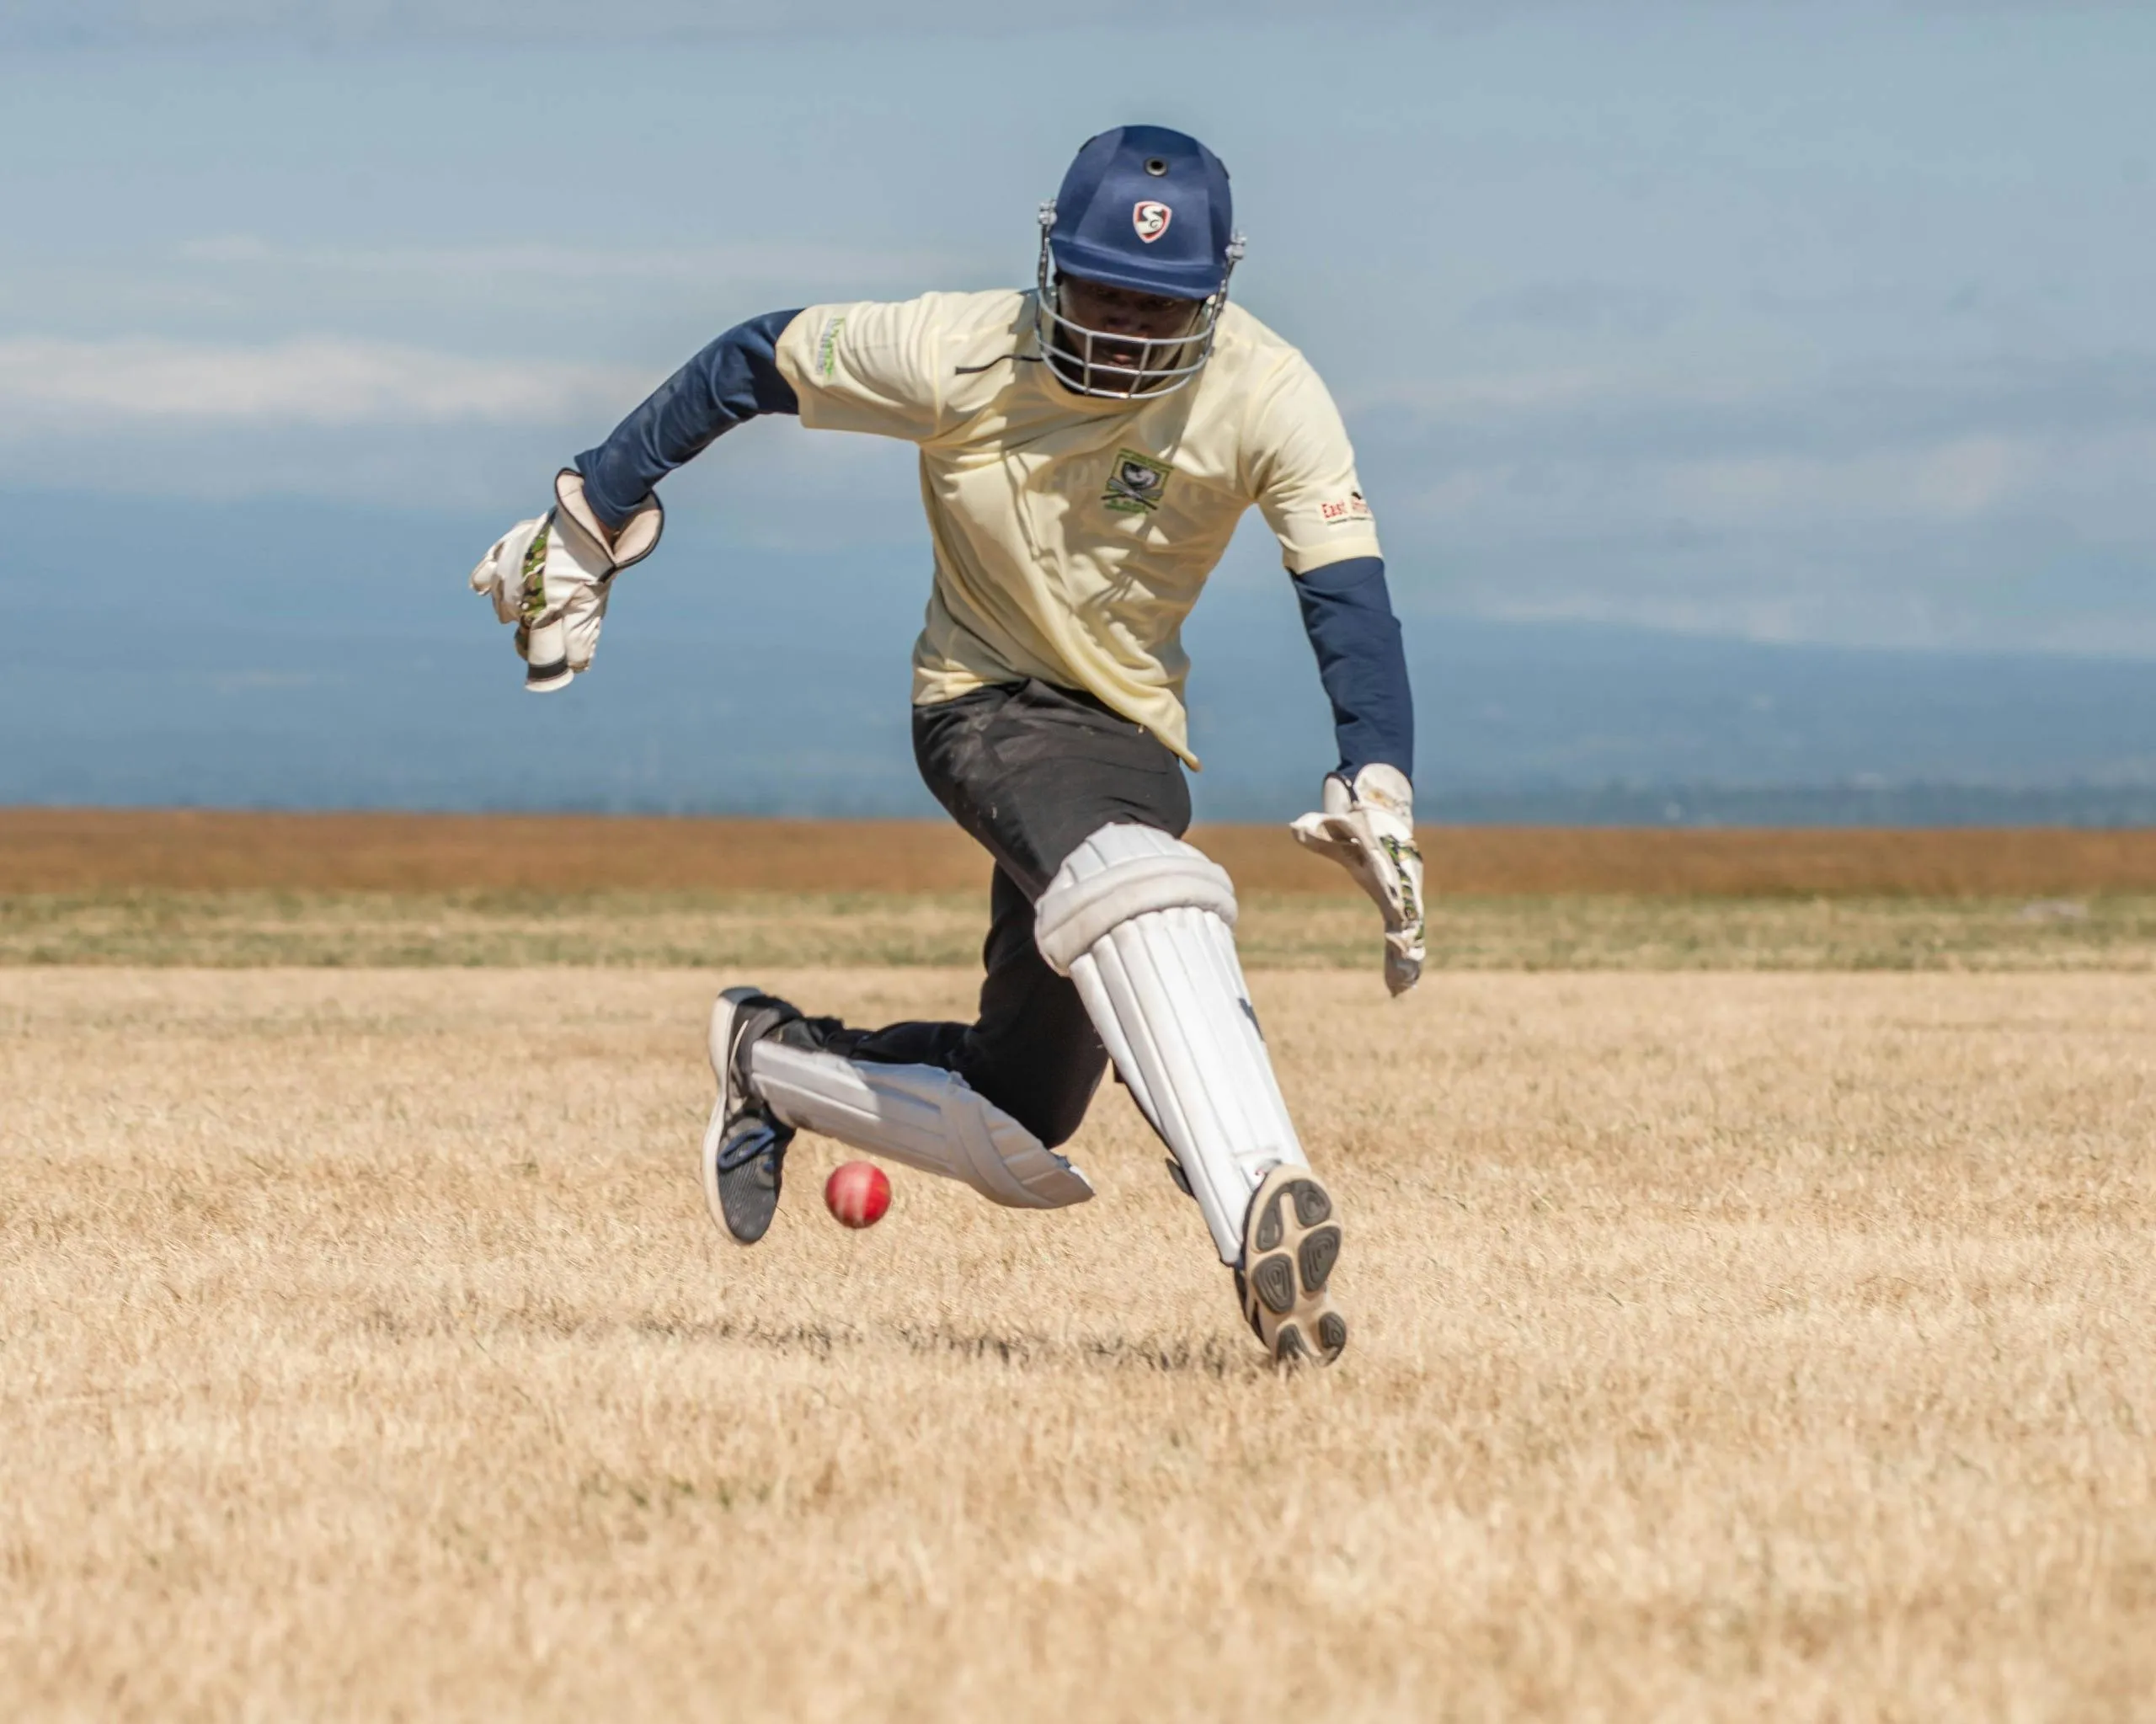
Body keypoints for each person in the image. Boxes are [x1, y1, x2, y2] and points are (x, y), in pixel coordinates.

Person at [468, 125, 1423, 1364]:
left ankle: (770, 1062)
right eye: (1102, 291)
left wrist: (1381, 776)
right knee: (1144, 893)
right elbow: (752, 358)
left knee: (1018, 1118)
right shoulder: (959, 350)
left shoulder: (1270, 389)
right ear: (1049, 269)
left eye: (1161, 303)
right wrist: (593, 507)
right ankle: (1261, 1214)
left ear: (1215, 296)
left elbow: (1346, 593)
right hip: (979, 705)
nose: (1128, 325)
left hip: (1126, 733)